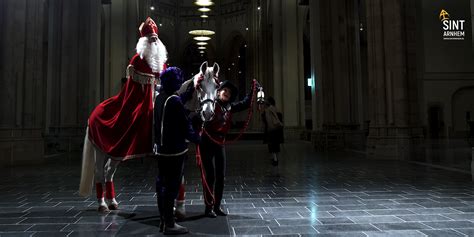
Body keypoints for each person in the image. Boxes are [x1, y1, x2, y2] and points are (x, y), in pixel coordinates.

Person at [80, 17, 167, 212]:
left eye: (155, 38)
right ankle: (102, 199)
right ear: (144, 41)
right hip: (136, 102)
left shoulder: (162, 63)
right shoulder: (137, 60)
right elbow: (130, 90)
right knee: (133, 119)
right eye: (150, 38)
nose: (154, 41)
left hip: (156, 102)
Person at [200, 79, 257, 217]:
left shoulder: (231, 106)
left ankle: (217, 206)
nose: (227, 93)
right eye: (224, 90)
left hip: (220, 143)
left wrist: (253, 89)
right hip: (207, 141)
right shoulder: (210, 103)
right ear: (218, 92)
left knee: (221, 176)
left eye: (229, 92)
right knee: (210, 176)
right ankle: (208, 208)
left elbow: (246, 103)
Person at [154, 67, 200, 234]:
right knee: (172, 187)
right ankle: (170, 224)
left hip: (160, 150)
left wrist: (189, 92)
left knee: (161, 185)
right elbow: (185, 126)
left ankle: (163, 220)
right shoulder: (174, 101)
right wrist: (198, 139)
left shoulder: (160, 98)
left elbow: (176, 100)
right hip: (174, 151)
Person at [261, 96, 284, 166]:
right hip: (278, 129)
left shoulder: (267, 110)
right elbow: (280, 118)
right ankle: (276, 158)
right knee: (276, 145)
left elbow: (265, 120)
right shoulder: (277, 109)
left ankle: (275, 159)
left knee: (271, 146)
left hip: (271, 130)